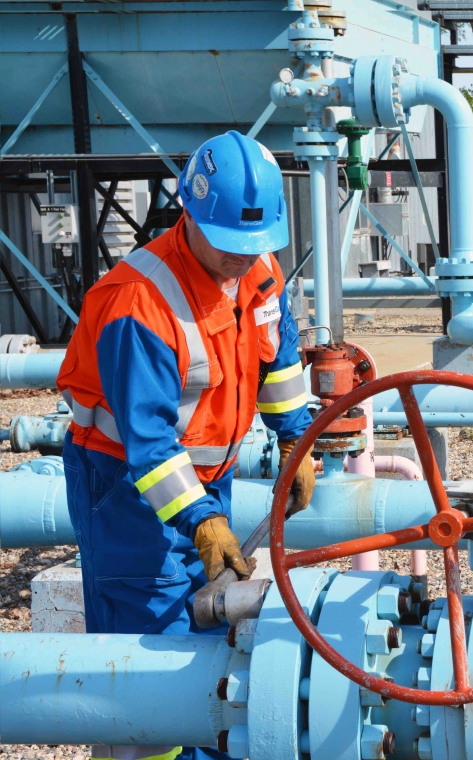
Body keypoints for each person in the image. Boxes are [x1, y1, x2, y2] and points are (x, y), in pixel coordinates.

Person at [57, 131, 317, 760]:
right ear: (188, 215)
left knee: (210, 624)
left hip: (204, 475)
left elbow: (276, 364)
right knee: (151, 641)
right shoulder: (139, 304)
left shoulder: (257, 271)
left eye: (255, 245)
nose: (242, 259)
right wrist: (203, 520)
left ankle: (203, 742)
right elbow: (148, 442)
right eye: (229, 243)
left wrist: (295, 436)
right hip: (123, 487)